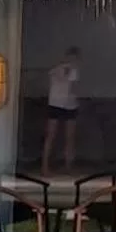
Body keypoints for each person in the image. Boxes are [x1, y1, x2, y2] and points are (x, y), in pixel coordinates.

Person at [41, 46, 81, 176]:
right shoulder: (58, 69)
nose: (72, 60)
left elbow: (75, 88)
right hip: (56, 104)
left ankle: (68, 166)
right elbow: (66, 82)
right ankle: (44, 166)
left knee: (70, 137)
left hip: (70, 105)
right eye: (71, 57)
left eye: (75, 58)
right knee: (51, 136)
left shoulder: (74, 70)